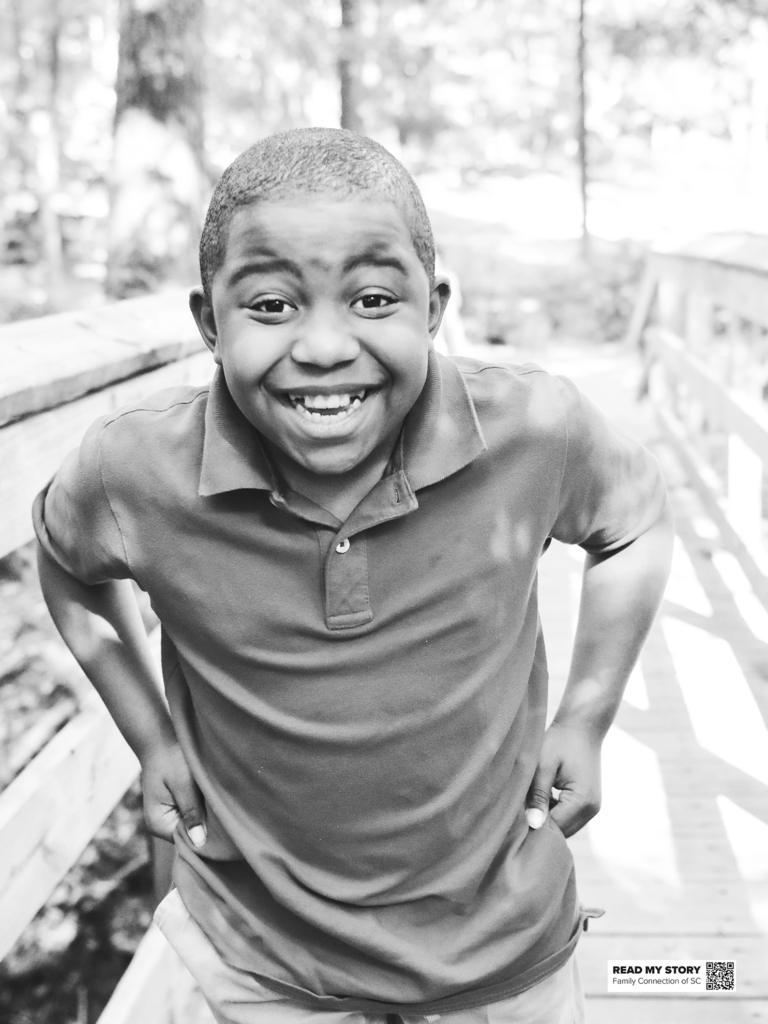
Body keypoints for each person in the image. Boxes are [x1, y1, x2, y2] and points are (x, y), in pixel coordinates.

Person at [33, 128, 673, 1024]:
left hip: (501, 952)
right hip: (266, 963)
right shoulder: (135, 472)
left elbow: (636, 522)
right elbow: (66, 566)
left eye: (373, 299)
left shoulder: (535, 430)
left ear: (433, 306)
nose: (326, 346)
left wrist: (589, 715)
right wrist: (153, 739)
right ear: (209, 323)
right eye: (270, 306)